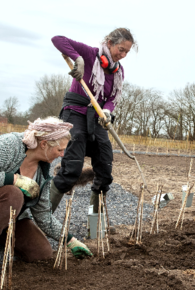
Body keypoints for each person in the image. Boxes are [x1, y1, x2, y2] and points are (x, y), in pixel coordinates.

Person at [0, 117, 92, 277]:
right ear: (44, 144)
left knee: (42, 253)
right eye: (60, 150)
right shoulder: (10, 145)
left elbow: (43, 215)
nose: (62, 155)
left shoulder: (43, 168)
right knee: (14, 193)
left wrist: (70, 240)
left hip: (5, 212)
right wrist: (15, 179)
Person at [49, 28, 137, 214]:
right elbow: (57, 39)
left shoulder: (118, 71)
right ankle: (43, 219)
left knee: (104, 172)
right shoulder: (90, 55)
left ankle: (93, 226)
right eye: (120, 49)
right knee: (71, 170)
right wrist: (77, 59)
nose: (122, 55)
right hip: (75, 113)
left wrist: (107, 110)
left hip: (97, 120)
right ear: (110, 43)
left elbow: (112, 98)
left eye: (127, 52)